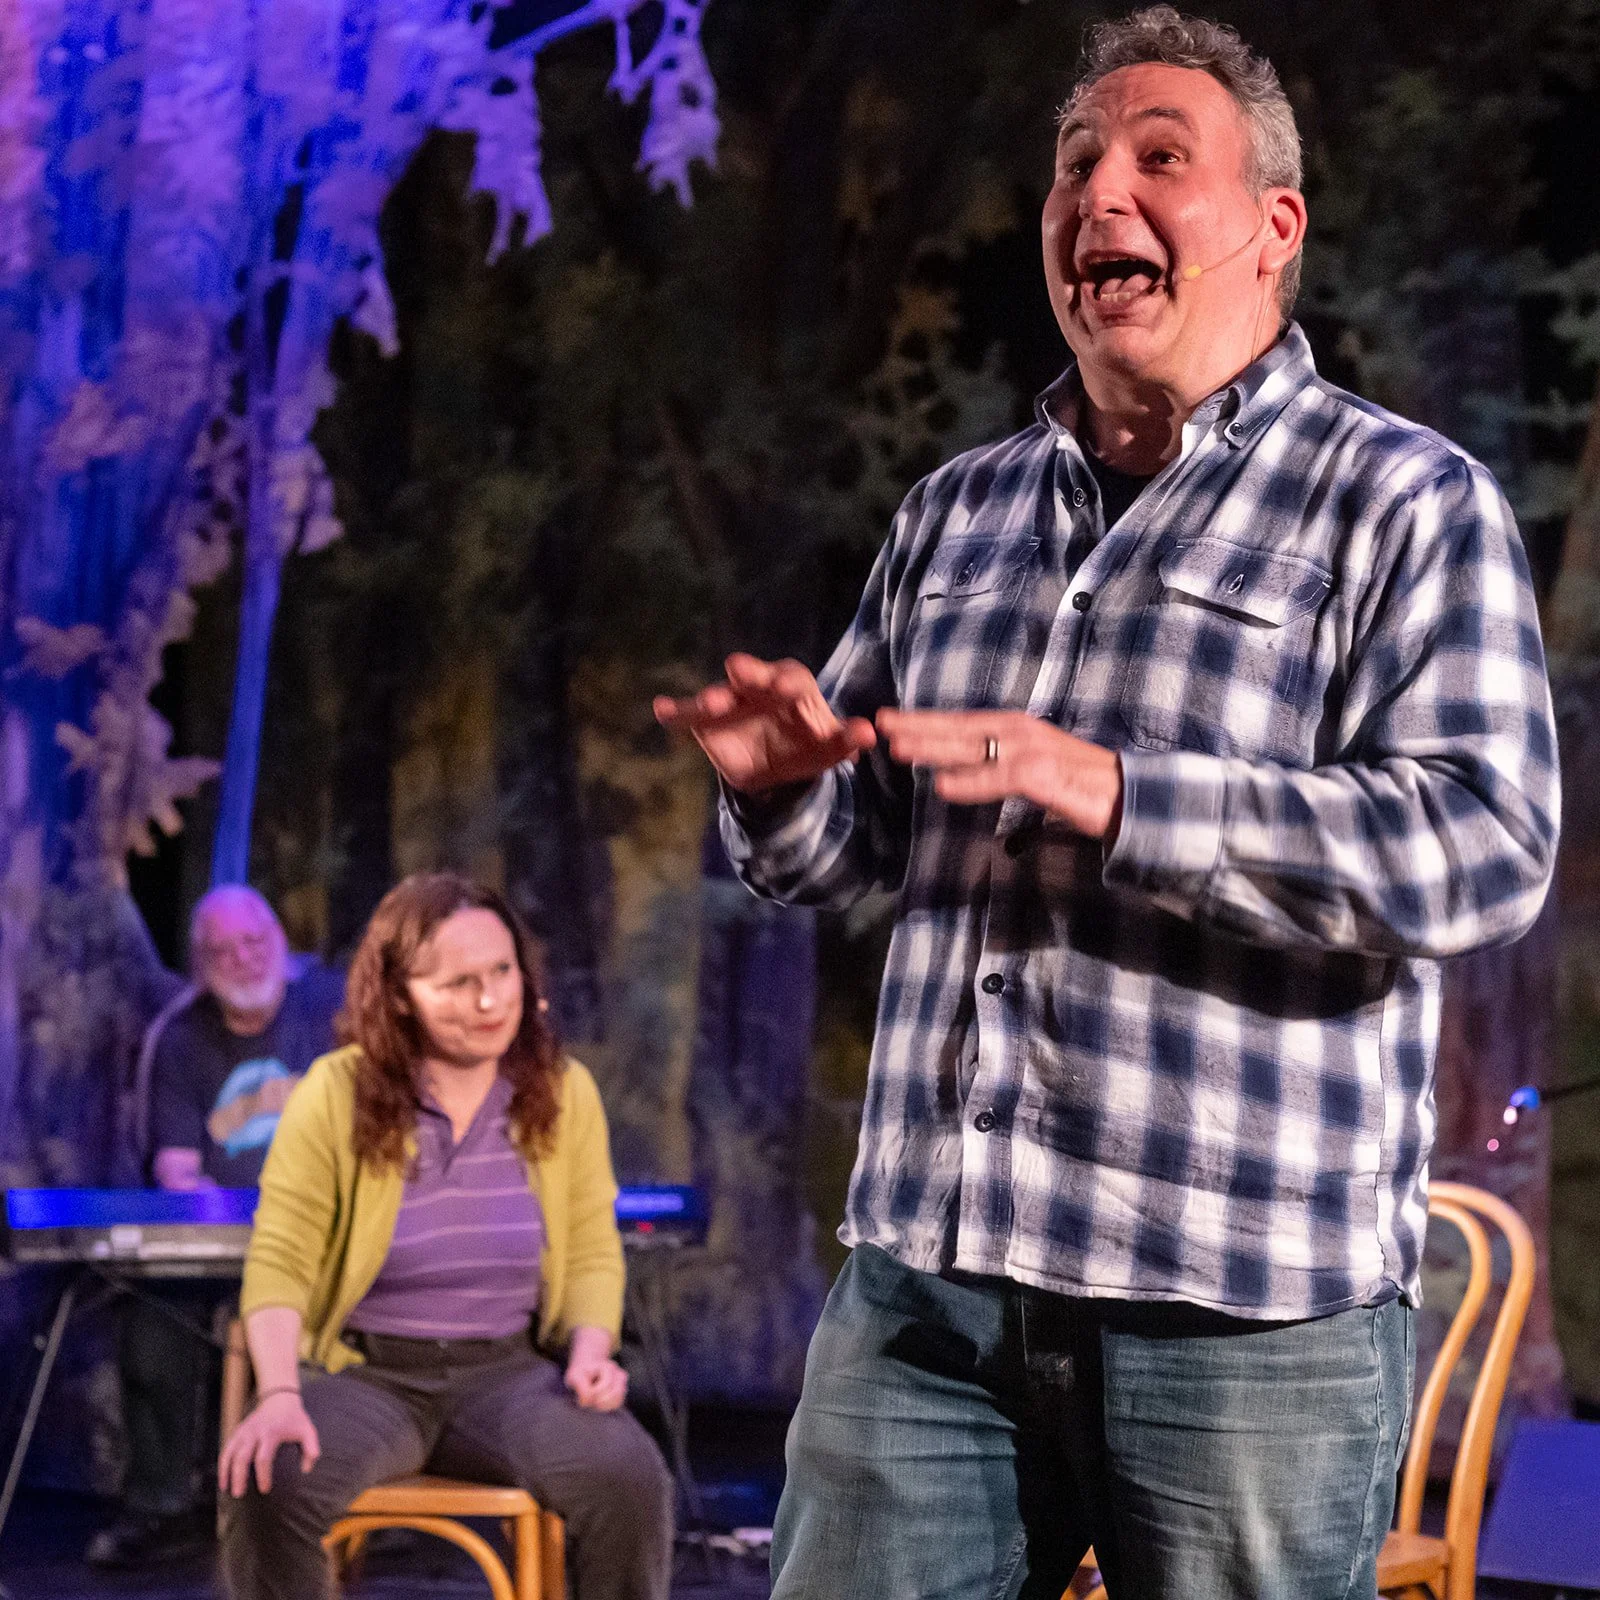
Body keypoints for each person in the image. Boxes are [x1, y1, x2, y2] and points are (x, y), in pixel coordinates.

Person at [655, 9, 1560, 1599]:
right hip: (929, 1297)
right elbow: (849, 856)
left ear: (1274, 226)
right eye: (1075, 163)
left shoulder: (1405, 502)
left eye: (1159, 157)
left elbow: (1483, 845)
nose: (1099, 195)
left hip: (1241, 1322)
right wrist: (783, 791)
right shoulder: (956, 514)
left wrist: (1126, 795)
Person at [217, 872, 673, 1600]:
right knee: (270, 1476)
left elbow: (592, 1247)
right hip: (367, 1374)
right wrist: (276, 1392)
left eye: (502, 972)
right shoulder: (334, 1092)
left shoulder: (563, 1090)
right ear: (400, 995)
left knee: (627, 1476)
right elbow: (280, 1256)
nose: (490, 1001)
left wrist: (591, 1354)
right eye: (459, 983)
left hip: (508, 1376)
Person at [87, 885, 340, 1569]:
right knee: (152, 1318)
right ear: (201, 965)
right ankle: (163, 1506)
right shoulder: (178, 1037)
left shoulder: (332, 1010)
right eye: (222, 951)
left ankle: (344, 1500)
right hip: (223, 1245)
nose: (242, 959)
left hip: (324, 1236)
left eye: (253, 941)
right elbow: (176, 1169)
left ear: (278, 940)